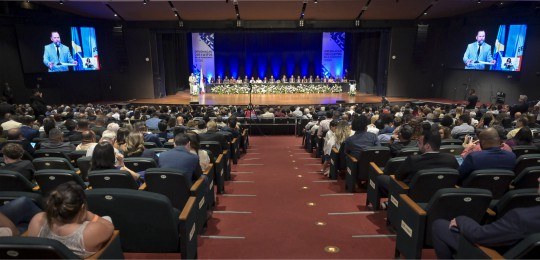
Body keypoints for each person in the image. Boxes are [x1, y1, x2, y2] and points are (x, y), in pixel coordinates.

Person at [431, 177, 540, 259]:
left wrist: (460, 219)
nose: (538, 179)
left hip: (490, 254)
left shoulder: (521, 217)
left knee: (440, 225)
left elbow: (478, 235)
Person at [27, 182, 114, 258]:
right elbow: (109, 226)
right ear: (82, 207)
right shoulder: (89, 232)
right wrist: (89, 215)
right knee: (107, 218)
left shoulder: (38, 219)